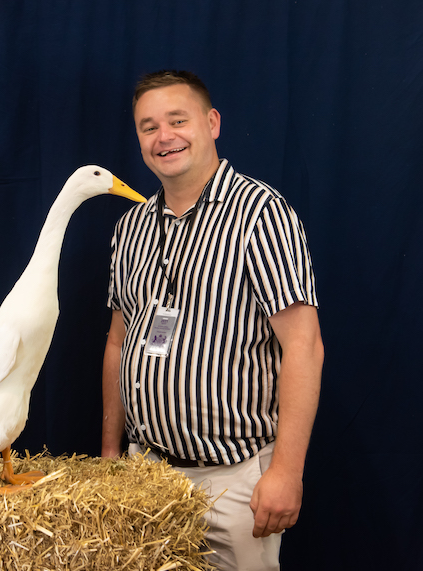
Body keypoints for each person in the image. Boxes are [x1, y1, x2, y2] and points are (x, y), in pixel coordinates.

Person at [101, 70, 324, 570]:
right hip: (145, 476)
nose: (165, 137)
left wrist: (287, 472)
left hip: (235, 479)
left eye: (177, 120)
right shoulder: (130, 227)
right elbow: (118, 343)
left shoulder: (261, 214)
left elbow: (304, 346)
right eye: (148, 126)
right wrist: (111, 455)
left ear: (212, 122)